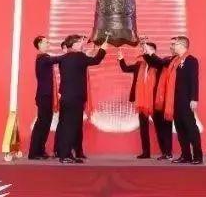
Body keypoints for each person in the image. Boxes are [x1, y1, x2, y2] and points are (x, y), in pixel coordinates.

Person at [55, 35, 107, 163]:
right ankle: (65, 156)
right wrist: (103, 49)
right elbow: (96, 60)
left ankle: (66, 154)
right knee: (72, 127)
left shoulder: (64, 58)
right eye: (79, 42)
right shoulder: (79, 56)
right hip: (75, 97)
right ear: (73, 45)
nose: (81, 43)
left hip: (66, 97)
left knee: (66, 126)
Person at [154, 36, 202, 165]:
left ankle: (198, 156)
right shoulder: (174, 61)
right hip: (174, 100)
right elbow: (157, 62)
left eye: (174, 44)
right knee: (180, 129)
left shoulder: (191, 60)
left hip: (186, 100)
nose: (172, 47)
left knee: (190, 128)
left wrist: (194, 98)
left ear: (181, 45)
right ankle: (186, 155)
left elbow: (194, 80)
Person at [119, 40, 171, 160]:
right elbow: (125, 69)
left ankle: (166, 152)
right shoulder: (139, 64)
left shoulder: (159, 64)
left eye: (147, 49)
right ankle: (146, 152)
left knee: (160, 128)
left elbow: (155, 61)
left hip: (155, 101)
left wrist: (148, 51)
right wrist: (121, 59)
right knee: (143, 128)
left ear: (153, 51)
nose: (144, 51)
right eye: (143, 49)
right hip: (141, 102)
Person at [28, 35, 61, 160]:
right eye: (46, 42)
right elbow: (57, 59)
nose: (48, 44)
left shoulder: (45, 58)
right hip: (44, 96)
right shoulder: (42, 58)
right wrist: (70, 54)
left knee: (46, 124)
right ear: (39, 44)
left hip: (48, 96)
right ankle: (34, 152)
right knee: (41, 124)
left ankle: (40, 150)